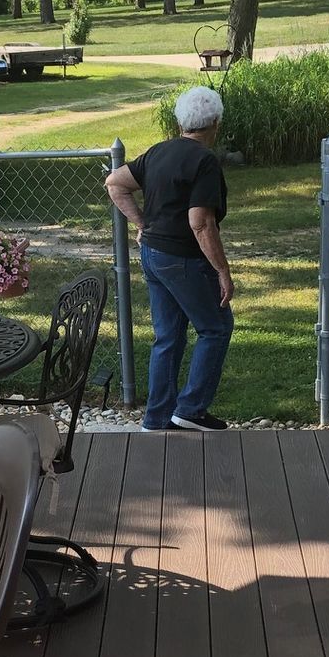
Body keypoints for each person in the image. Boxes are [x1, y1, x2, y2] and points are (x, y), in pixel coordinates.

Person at [104, 85, 233, 431]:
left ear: (180, 122)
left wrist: (144, 224)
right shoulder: (204, 161)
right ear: (215, 123)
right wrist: (222, 271)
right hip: (183, 260)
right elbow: (201, 222)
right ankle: (190, 410)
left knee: (168, 336)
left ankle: (158, 418)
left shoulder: (159, 152)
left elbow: (115, 182)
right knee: (216, 328)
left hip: (153, 255)